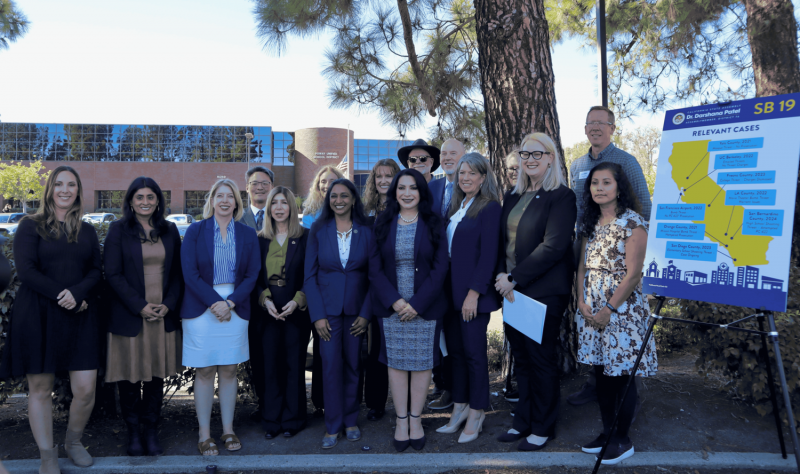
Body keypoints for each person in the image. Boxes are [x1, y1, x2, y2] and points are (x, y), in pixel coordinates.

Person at [0, 166, 103, 474]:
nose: (64, 189)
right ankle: (48, 457)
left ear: (78, 191)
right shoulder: (30, 225)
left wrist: (77, 294)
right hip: (38, 315)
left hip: (80, 315)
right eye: (58, 183)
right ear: (49, 189)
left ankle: (73, 442)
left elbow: (96, 271)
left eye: (71, 184)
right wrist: (65, 295)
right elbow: (27, 271)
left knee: (85, 388)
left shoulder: (86, 230)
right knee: (40, 388)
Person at [493, 133, 577, 451]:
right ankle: (522, 422)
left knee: (541, 360)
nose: (530, 159)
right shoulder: (512, 197)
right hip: (511, 290)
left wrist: (514, 277)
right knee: (523, 361)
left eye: (537, 154)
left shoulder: (561, 196)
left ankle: (543, 426)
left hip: (542, 292)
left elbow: (554, 246)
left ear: (551, 158)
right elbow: (502, 243)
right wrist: (502, 275)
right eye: (525, 153)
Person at [567, 105, 652, 407]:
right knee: (590, 319)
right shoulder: (577, 165)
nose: (595, 128)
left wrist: (629, 238)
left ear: (612, 128)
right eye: (591, 123)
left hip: (618, 249)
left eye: (602, 123)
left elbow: (643, 202)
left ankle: (627, 395)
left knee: (619, 327)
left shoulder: (625, 161)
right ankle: (595, 382)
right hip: (587, 241)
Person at [575, 162, 657, 464]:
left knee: (621, 376)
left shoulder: (633, 222)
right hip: (591, 310)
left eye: (606, 182)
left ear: (619, 187)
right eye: (594, 183)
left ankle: (623, 439)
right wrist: (581, 301)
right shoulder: (590, 222)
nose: (599, 188)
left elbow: (634, 273)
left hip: (622, 312)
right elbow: (582, 268)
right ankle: (607, 432)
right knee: (600, 374)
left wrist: (609, 308)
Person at [369, 169, 449, 452]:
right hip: (392, 309)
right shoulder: (383, 221)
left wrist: (417, 304)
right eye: (401, 188)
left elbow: (441, 268)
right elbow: (374, 268)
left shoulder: (434, 222)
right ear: (394, 192)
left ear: (421, 192)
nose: (406, 193)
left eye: (412, 188)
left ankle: (416, 420)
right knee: (397, 364)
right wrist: (395, 301)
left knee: (422, 364)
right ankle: (401, 421)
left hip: (424, 308)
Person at [104, 177, 183, 457]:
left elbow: (177, 274)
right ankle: (133, 433)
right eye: (140, 197)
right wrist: (140, 306)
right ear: (130, 201)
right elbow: (112, 274)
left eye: (151, 197)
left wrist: (168, 304)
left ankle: (151, 430)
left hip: (161, 315)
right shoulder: (118, 230)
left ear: (158, 201)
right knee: (129, 378)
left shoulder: (170, 230)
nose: (146, 202)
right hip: (131, 314)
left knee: (154, 378)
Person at [180, 178, 260, 456]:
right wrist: (216, 302)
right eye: (220, 196)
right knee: (204, 371)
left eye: (231, 196)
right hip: (202, 308)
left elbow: (252, 274)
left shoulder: (247, 233)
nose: (225, 200)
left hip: (235, 307)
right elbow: (189, 273)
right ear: (212, 200)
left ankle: (228, 429)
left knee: (228, 370)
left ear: (237, 202)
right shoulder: (195, 231)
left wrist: (231, 302)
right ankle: (204, 435)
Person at [437, 152, 502, 443]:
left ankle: (477, 411)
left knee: (475, 355)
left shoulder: (489, 208)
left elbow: (489, 255)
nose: (465, 178)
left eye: (472, 173)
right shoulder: (457, 206)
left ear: (483, 177)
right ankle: (460, 406)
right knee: (457, 355)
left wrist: (474, 294)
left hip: (472, 296)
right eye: (462, 173)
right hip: (450, 295)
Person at [304, 178, 374, 449]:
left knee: (354, 366)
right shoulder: (319, 230)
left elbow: (373, 276)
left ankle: (351, 420)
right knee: (331, 367)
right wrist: (318, 316)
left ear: (353, 199)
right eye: (334, 196)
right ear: (328, 200)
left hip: (357, 312)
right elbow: (309, 277)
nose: (339, 200)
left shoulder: (366, 230)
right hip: (328, 314)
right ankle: (332, 425)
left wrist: (366, 314)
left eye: (345, 196)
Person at [254, 186, 311, 439]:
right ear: (269, 208)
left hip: (295, 310)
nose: (278, 207)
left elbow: (312, 275)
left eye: (283, 202)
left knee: (294, 365)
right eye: (274, 203)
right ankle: (271, 419)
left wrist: (297, 301)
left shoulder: (306, 237)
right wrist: (265, 300)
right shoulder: (259, 239)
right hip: (267, 310)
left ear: (291, 207)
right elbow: (253, 278)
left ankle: (293, 419)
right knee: (270, 366)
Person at [302, 165, 346, 417]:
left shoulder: (346, 215)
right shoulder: (309, 217)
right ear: (317, 187)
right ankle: (321, 401)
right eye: (322, 181)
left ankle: (344, 402)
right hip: (316, 292)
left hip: (339, 296)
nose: (327, 185)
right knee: (321, 352)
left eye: (332, 180)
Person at [360, 158, 400, 422]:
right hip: (370, 287)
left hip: (398, 288)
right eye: (378, 177)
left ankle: (403, 404)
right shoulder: (366, 213)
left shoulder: (404, 208)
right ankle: (375, 403)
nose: (383, 180)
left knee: (396, 348)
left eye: (388, 176)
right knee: (374, 349)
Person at [426, 138, 463, 411]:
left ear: (464, 156)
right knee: (439, 336)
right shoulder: (433, 187)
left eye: (453, 153)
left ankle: (459, 390)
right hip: (435, 273)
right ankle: (444, 386)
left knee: (459, 337)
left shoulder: (470, 184)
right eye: (444, 153)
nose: (448, 157)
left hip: (462, 275)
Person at [239, 165, 275, 423]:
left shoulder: (281, 214)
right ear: (247, 188)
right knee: (255, 357)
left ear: (271, 187)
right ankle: (264, 405)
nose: (260, 186)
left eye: (264, 182)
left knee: (276, 355)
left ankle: (278, 404)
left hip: (278, 299)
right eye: (255, 183)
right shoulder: (237, 218)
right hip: (246, 299)